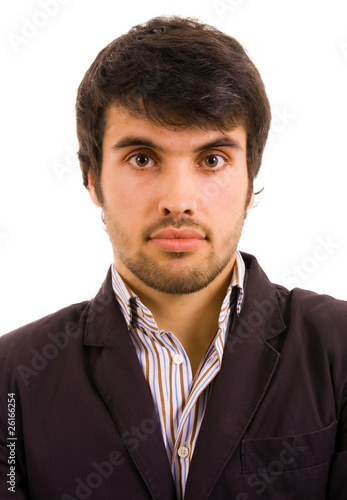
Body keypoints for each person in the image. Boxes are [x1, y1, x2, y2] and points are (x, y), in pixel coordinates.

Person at [0, 15, 346, 500]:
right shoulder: (12, 377)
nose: (179, 200)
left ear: (251, 179)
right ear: (92, 179)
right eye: (142, 158)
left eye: (212, 159)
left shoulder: (339, 348)